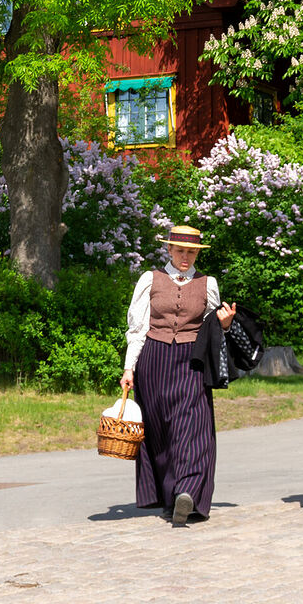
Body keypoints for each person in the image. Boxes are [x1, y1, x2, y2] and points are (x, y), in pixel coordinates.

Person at [120, 224, 238, 526]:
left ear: (197, 253)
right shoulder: (150, 279)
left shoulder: (208, 284)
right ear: (169, 250)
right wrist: (129, 368)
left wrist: (224, 324)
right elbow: (137, 328)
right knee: (160, 432)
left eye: (192, 251)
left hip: (191, 361)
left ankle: (189, 494)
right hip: (154, 360)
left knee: (193, 429)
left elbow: (212, 328)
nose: (186, 257)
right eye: (180, 250)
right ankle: (169, 496)